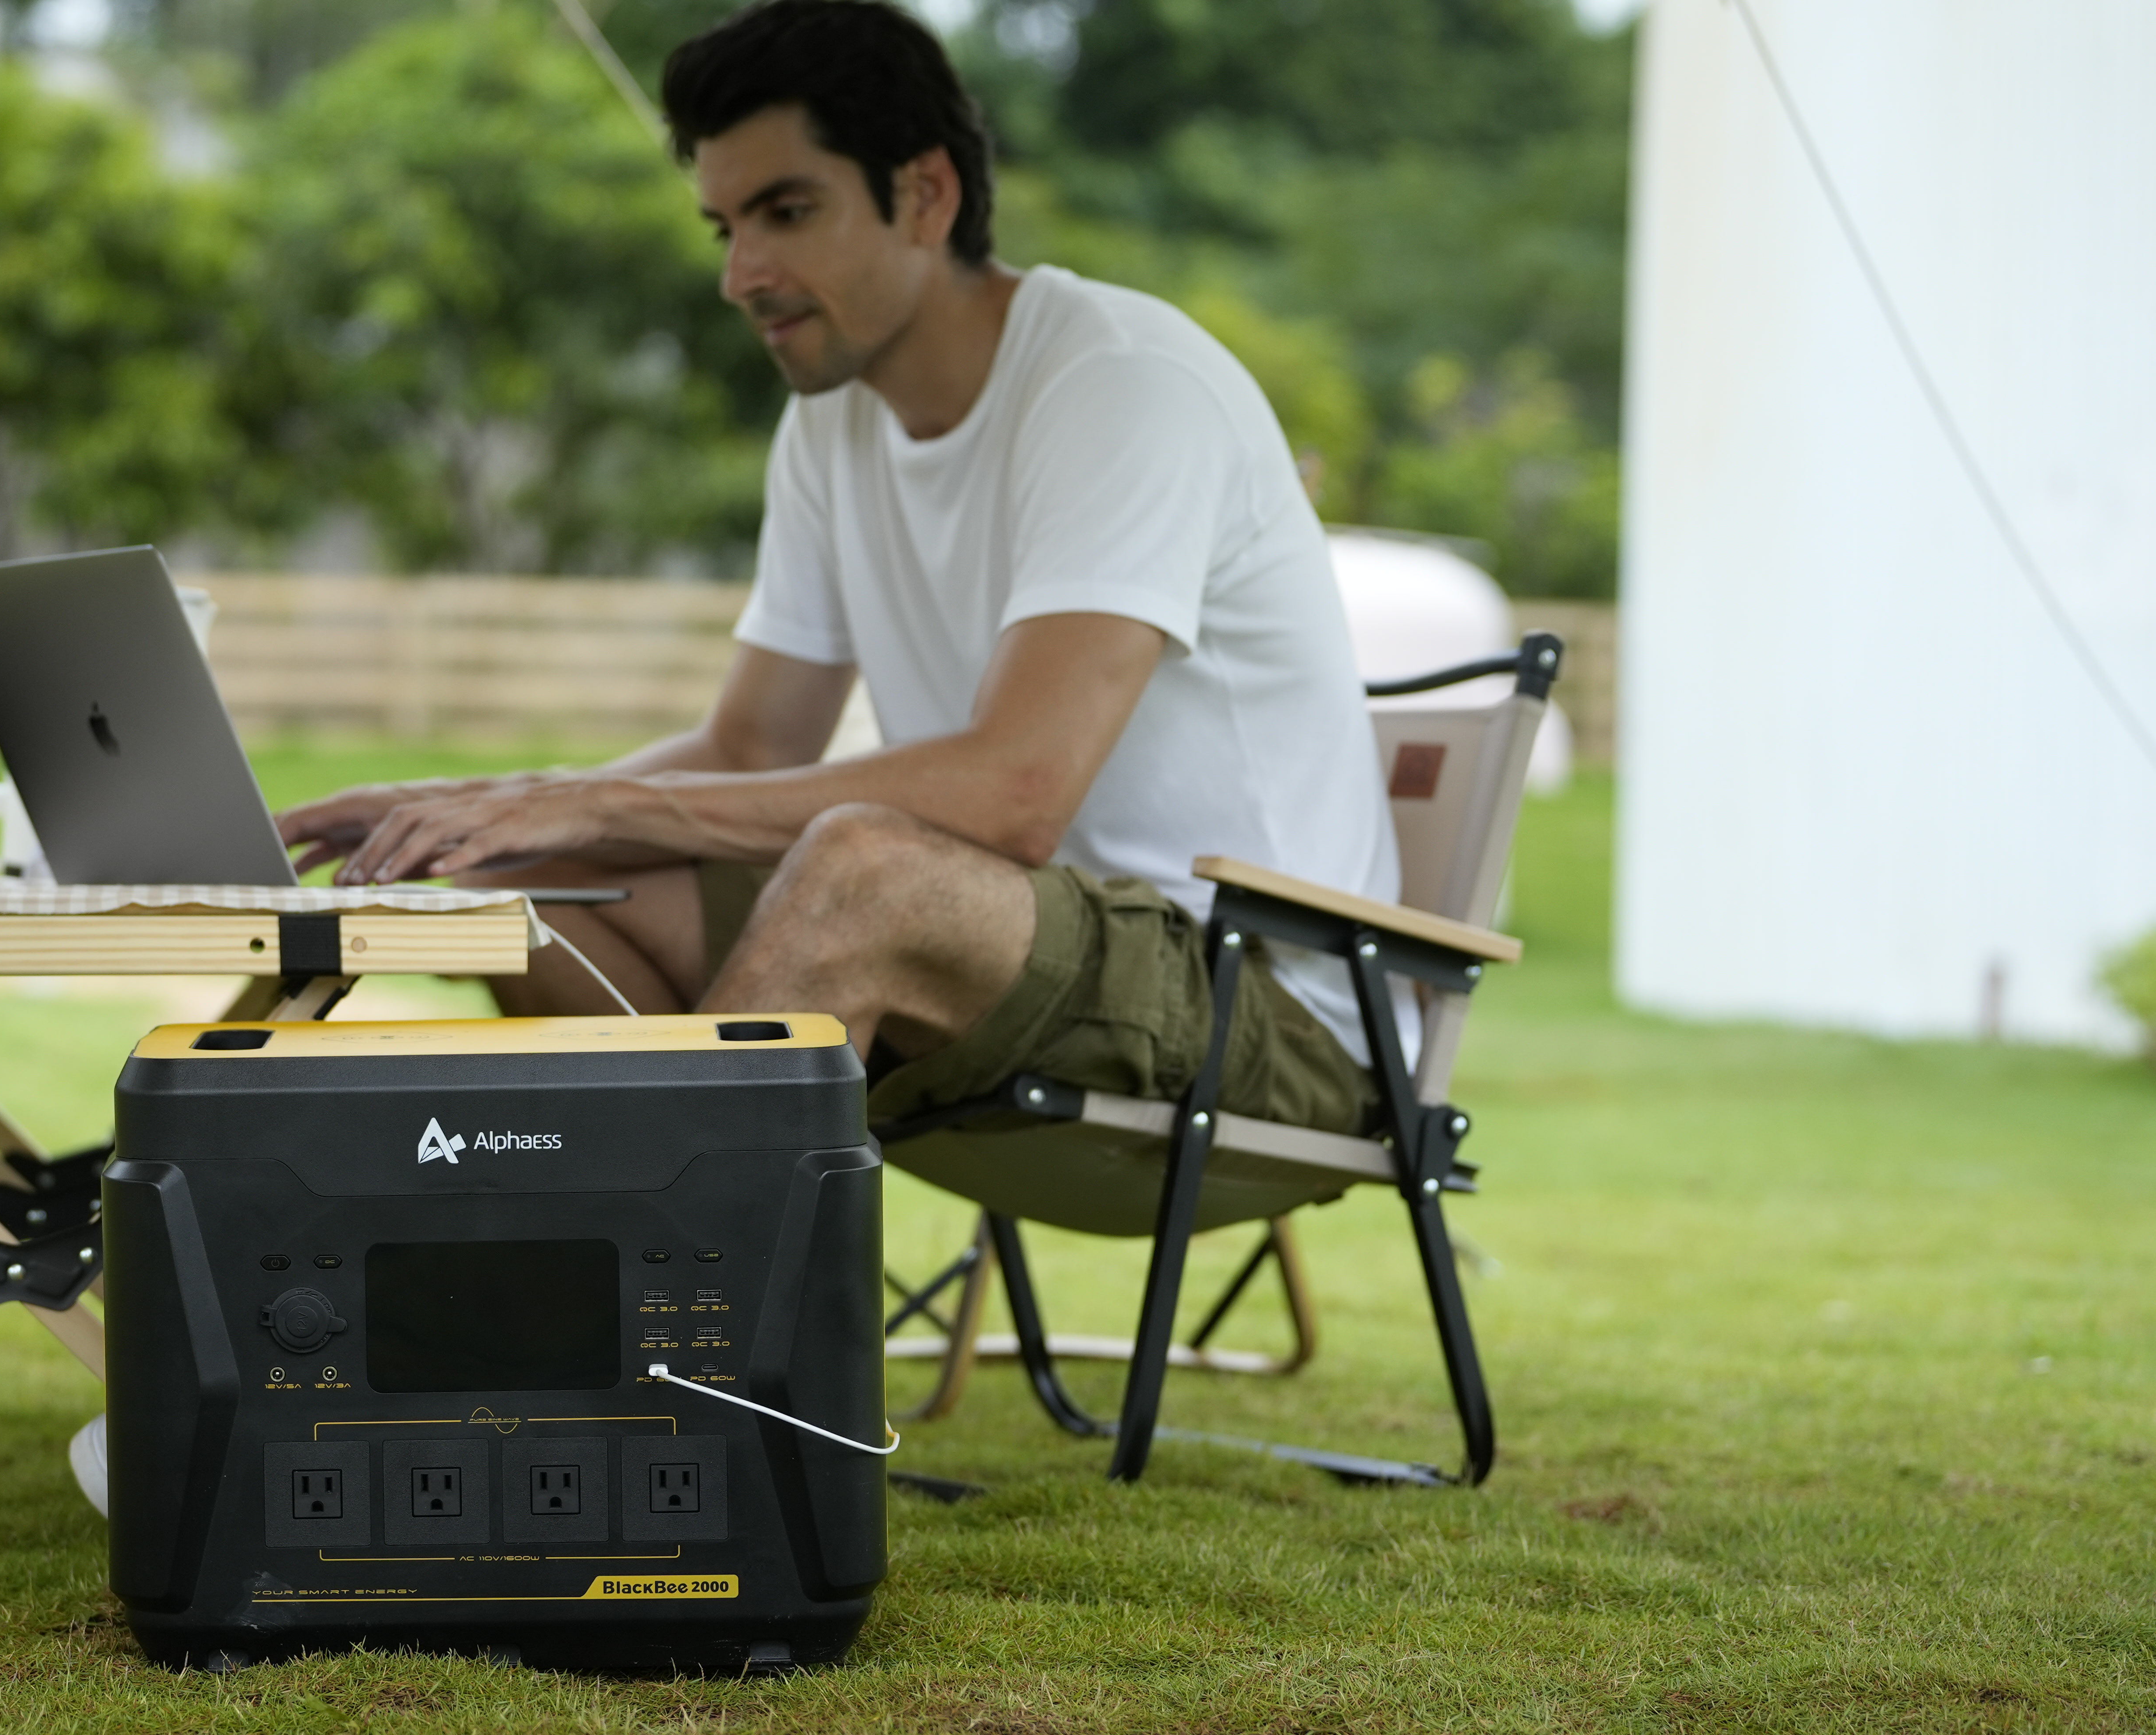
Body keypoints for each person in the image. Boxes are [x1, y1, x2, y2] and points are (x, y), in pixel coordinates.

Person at [76, 0, 1399, 1519]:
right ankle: (535, 1346)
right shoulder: (834, 424)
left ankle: (607, 1394)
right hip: (1039, 968)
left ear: (925, 193)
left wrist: (591, 800)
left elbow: (1017, 792)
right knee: (535, 888)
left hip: (1267, 1003)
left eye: (786, 211)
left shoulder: (1119, 385)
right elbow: (753, 747)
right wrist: (503, 816)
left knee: (861, 872)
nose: (740, 274)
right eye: (723, 225)